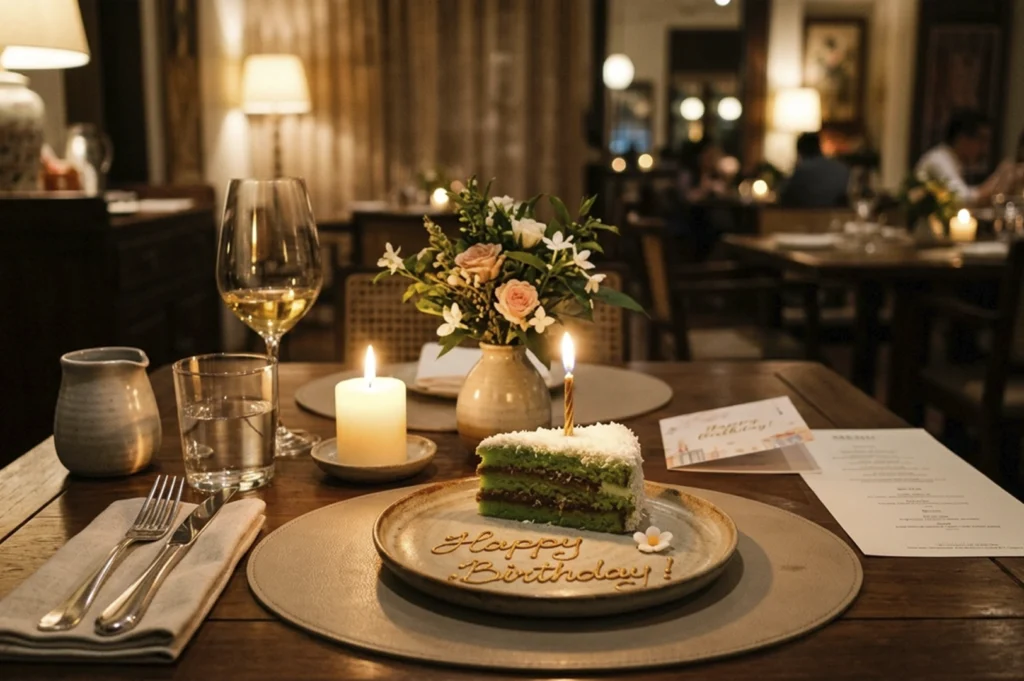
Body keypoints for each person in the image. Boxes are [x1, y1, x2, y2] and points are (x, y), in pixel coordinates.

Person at [914, 110, 1004, 206]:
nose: (985, 149)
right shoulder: (938, 160)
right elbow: (961, 198)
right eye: (982, 140)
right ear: (962, 138)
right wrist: (1001, 174)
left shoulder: (951, 159)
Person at [777, 132, 850, 208]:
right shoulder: (841, 168)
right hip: (838, 216)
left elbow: (783, 196)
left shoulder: (801, 171)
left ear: (800, 151)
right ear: (819, 147)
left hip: (803, 217)